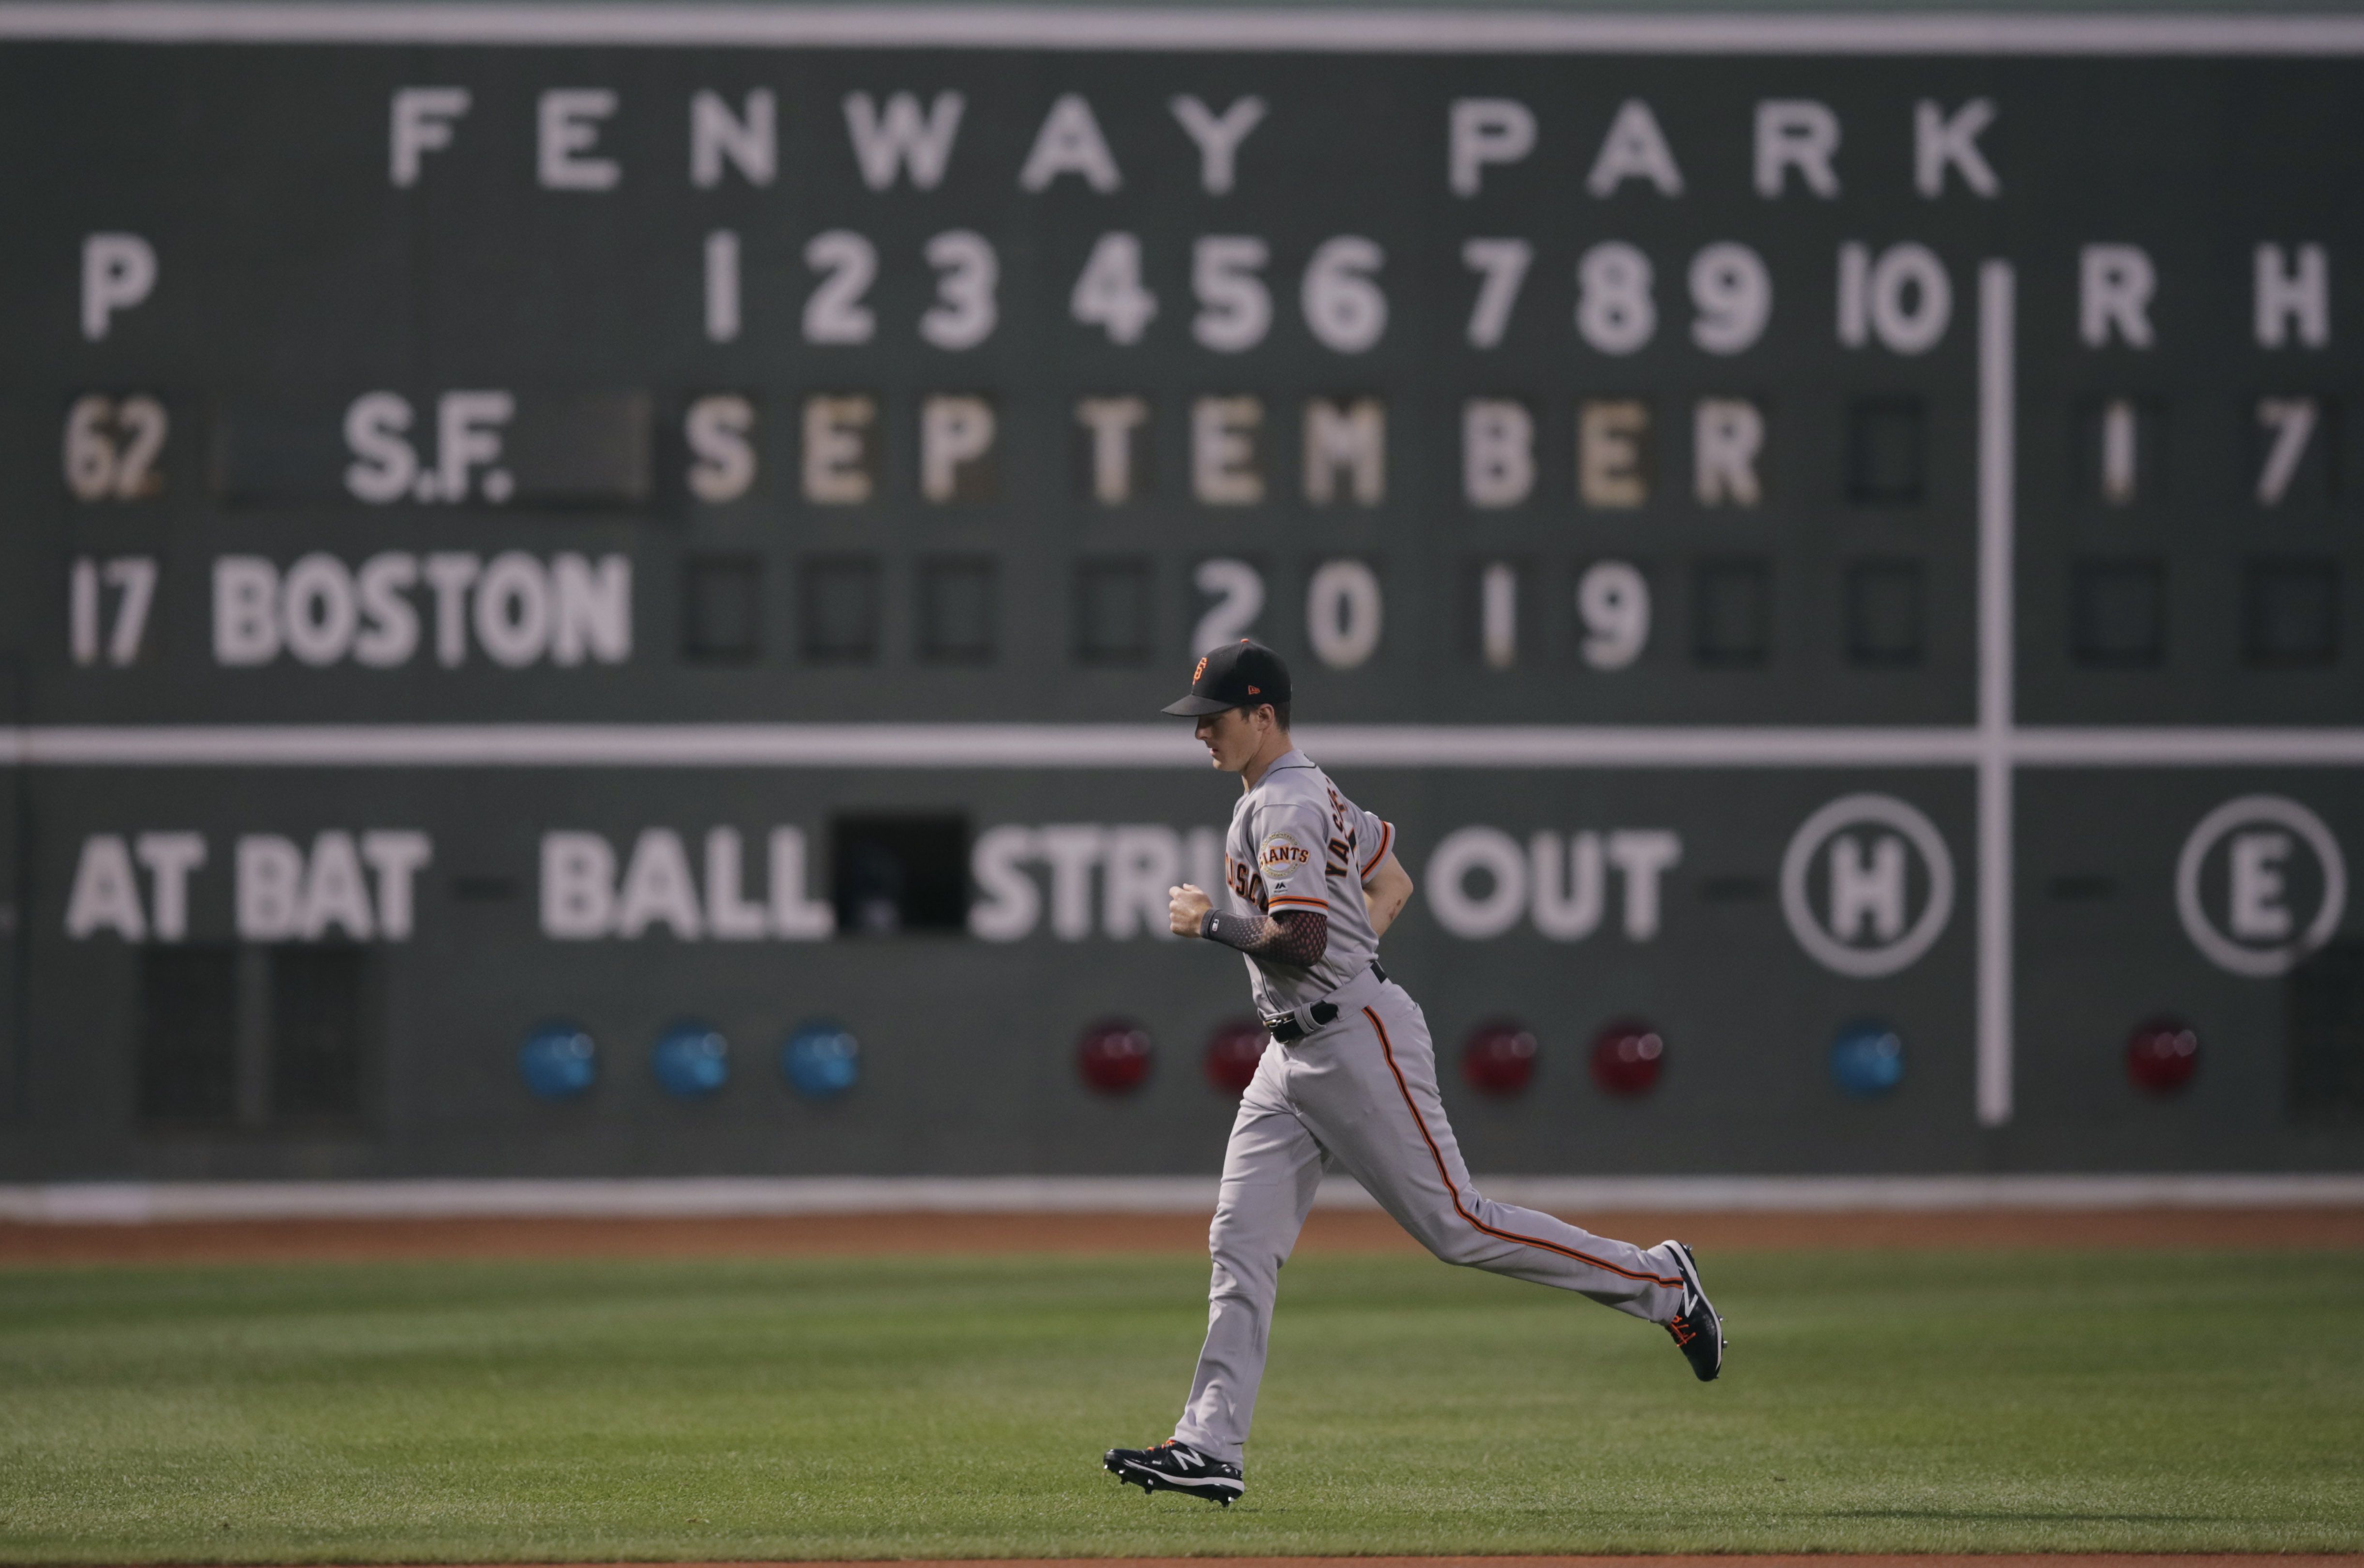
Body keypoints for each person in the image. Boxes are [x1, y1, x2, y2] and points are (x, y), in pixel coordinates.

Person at [1103, 639, 1723, 1507]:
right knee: (1240, 1244)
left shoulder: (1283, 802)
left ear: (1263, 715)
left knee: (1457, 1226)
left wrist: (1216, 927)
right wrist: (1340, 965)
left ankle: (1659, 1281)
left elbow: (1308, 940)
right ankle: (1209, 1444)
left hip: (1355, 1042)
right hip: (1294, 1053)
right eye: (1197, 719)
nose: (1200, 732)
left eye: (1214, 717)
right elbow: (1390, 879)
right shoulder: (1311, 791)